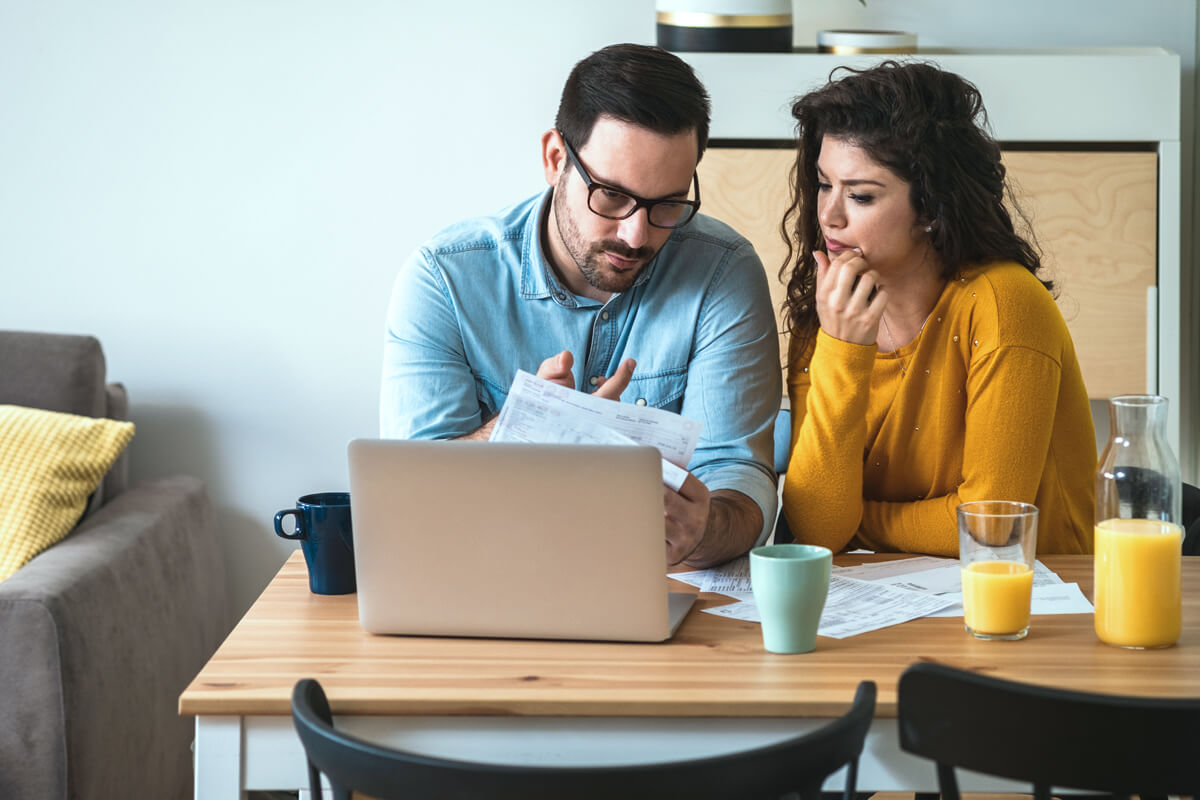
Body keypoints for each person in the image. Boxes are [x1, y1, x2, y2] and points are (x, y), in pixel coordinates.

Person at [381, 43, 780, 567]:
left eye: (668, 204)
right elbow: (407, 490)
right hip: (485, 580)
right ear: (555, 159)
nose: (636, 235)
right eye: (611, 196)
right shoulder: (445, 278)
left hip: (660, 589)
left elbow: (739, 474)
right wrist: (520, 435)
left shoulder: (721, 272)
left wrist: (702, 531)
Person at [778, 60, 1096, 556]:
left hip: (1043, 597)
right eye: (823, 185)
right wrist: (842, 349)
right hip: (889, 601)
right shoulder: (827, 311)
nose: (828, 215)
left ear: (929, 207)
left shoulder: (1004, 305)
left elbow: (991, 526)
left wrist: (858, 523)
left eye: (860, 195)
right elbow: (818, 530)